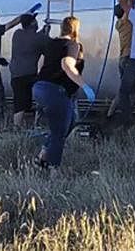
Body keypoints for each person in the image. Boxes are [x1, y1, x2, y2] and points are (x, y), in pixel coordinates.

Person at [33, 16, 96, 168]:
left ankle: (42, 156)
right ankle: (53, 169)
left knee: (68, 124)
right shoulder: (72, 44)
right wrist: (85, 86)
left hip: (40, 87)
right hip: (55, 90)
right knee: (59, 132)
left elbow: (40, 64)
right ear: (75, 29)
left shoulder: (51, 43)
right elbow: (66, 65)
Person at [108, 0, 135, 117]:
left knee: (125, 90)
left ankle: (110, 115)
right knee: (132, 92)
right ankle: (126, 117)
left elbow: (128, 1)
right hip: (130, 60)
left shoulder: (120, 23)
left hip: (124, 59)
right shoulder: (127, 21)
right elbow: (129, 1)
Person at [9, 14, 50, 128]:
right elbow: (47, 45)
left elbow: (33, 39)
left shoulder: (17, 34)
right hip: (29, 74)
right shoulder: (39, 38)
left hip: (16, 75)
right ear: (32, 23)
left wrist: (43, 31)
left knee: (20, 102)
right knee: (40, 97)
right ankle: (35, 124)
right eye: (35, 21)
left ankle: (18, 128)